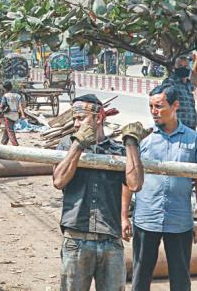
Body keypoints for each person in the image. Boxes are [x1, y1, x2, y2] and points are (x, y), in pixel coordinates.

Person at [53, 94, 148, 291]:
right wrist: (78, 145)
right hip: (76, 239)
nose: (76, 124)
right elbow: (59, 180)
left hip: (110, 242)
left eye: (81, 118)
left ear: (98, 118)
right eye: (74, 119)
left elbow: (135, 184)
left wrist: (130, 144)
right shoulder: (67, 145)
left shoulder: (117, 150)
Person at [122, 85, 197, 291]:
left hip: (180, 222)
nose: (154, 111)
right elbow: (127, 178)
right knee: (140, 277)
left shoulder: (194, 140)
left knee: (180, 280)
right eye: (151, 106)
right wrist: (124, 216)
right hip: (146, 220)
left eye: (159, 106)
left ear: (175, 105)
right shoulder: (142, 139)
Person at [161, 52, 197, 130]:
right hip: (178, 128)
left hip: (191, 128)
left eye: (186, 66)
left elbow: (194, 82)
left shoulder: (187, 84)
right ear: (174, 68)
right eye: (180, 66)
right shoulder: (170, 82)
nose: (183, 68)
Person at [0, 81, 24, 146]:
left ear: (5, 89)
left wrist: (2, 110)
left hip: (8, 115)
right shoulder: (18, 96)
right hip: (15, 115)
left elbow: (2, 106)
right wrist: (23, 114)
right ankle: (3, 142)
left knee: (10, 130)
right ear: (11, 87)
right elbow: (20, 106)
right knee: (7, 128)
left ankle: (15, 145)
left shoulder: (5, 96)